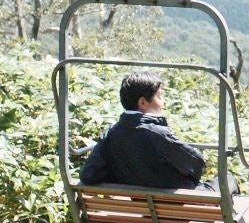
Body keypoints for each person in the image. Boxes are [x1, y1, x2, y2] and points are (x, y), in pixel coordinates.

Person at [78, 72, 206, 190]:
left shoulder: (110, 134)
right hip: (177, 206)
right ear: (143, 102)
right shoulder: (157, 133)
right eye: (159, 97)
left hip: (139, 207)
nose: (163, 102)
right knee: (224, 181)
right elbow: (196, 164)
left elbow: (89, 175)